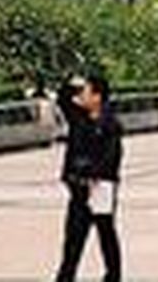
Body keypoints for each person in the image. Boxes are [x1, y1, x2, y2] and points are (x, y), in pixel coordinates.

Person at [54, 72, 123, 282]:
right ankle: (65, 278)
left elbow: (114, 156)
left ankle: (113, 276)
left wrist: (95, 172)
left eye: (85, 91)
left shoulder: (111, 123)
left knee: (106, 235)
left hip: (101, 187)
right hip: (78, 186)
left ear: (97, 96)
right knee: (73, 239)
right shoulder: (78, 116)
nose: (81, 96)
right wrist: (74, 80)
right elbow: (62, 98)